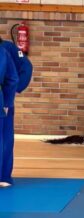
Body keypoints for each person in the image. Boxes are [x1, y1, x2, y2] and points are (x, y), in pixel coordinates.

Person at [0, 38, 33, 187]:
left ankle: (4, 176)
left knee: (5, 137)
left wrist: (14, 91)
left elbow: (26, 66)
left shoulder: (7, 48)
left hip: (4, 99)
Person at [0, 41, 19, 188]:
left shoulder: (4, 51)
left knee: (4, 139)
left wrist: (7, 102)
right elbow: (12, 79)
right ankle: (3, 177)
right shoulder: (3, 52)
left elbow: (13, 79)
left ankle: (4, 176)